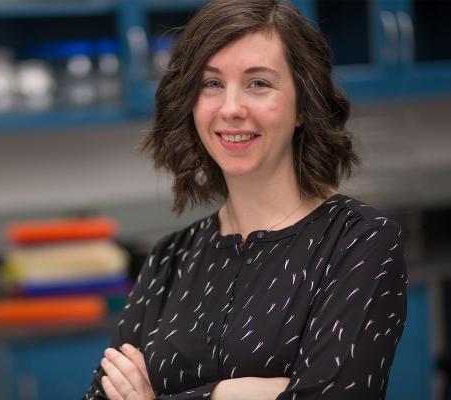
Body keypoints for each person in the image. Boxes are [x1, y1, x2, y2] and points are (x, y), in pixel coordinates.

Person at [83, 0, 407, 399]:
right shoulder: (171, 257)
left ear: (304, 104)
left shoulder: (360, 242)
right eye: (212, 84)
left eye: (259, 83)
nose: (231, 109)